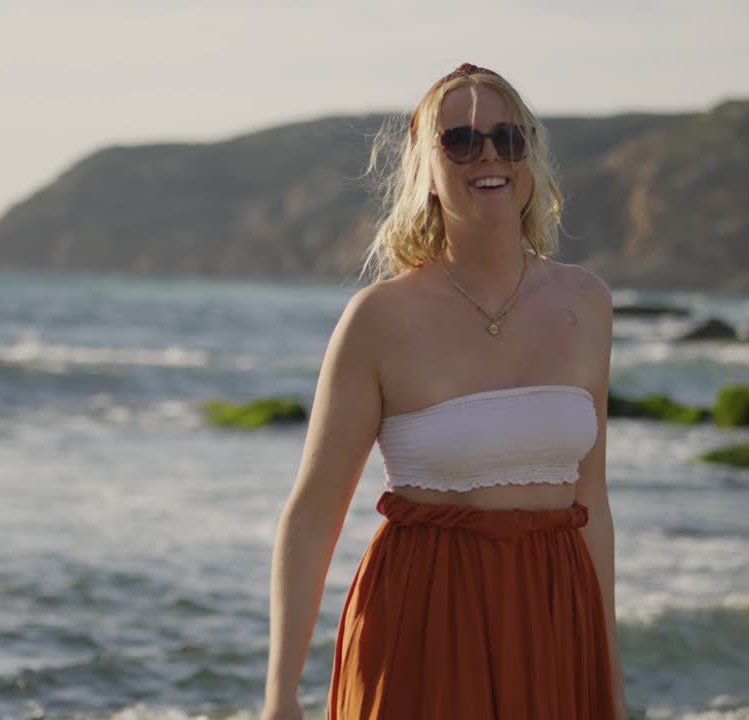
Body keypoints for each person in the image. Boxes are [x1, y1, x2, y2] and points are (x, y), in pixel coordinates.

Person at [261, 63, 626, 719]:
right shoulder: (378, 319)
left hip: (553, 621)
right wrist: (280, 696)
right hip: (421, 623)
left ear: (530, 155)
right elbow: (313, 514)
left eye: (507, 138)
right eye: (459, 140)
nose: (487, 154)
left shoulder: (586, 305)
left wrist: (610, 684)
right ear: (424, 164)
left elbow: (592, 502)